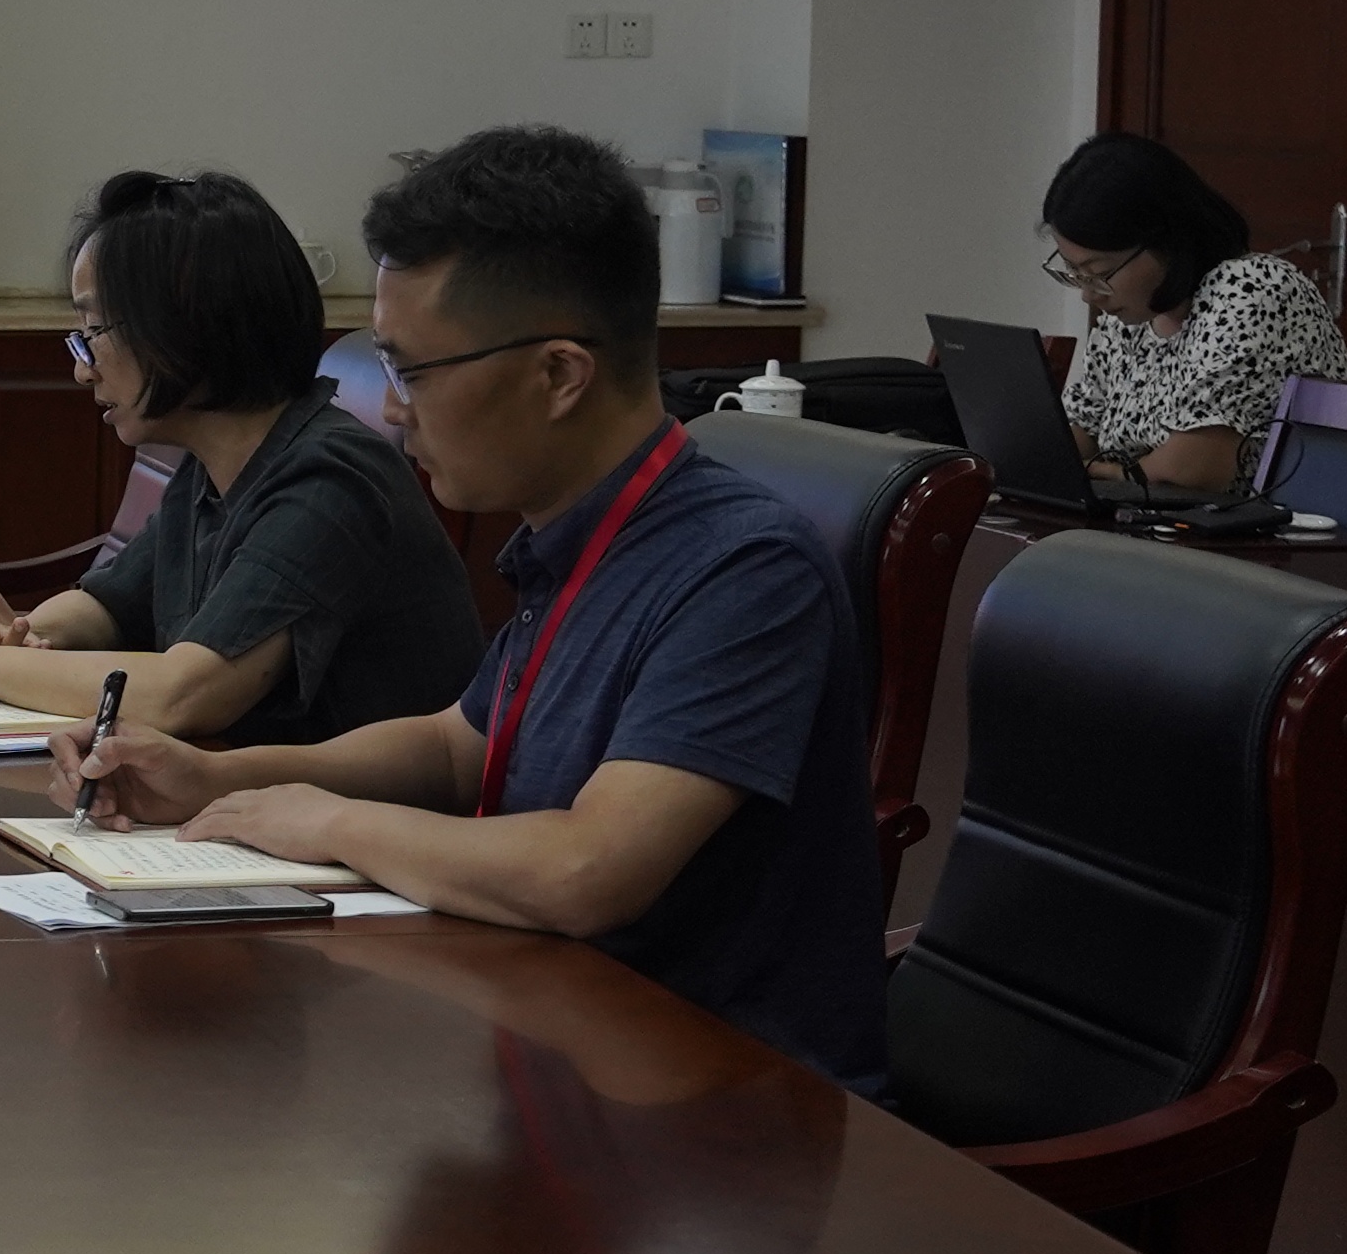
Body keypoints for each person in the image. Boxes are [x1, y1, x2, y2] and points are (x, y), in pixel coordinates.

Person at [65, 124, 888, 1094]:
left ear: (559, 374)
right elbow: (459, 747)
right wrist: (214, 777)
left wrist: (326, 822)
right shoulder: (575, 538)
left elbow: (587, 870)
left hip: (722, 1113)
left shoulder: (742, 570)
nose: (394, 409)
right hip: (555, 1051)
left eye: (413, 372)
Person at [0, 166, 479, 748]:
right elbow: (108, 604)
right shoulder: (215, 464)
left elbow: (184, 695)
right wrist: (23, 633)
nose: (82, 369)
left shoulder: (329, 480)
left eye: (94, 332)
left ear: (188, 325)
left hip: (366, 808)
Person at [1039, 129, 1347, 493]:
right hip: (1151, 517)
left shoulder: (1253, 289)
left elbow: (1193, 468)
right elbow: (1083, 429)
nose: (1088, 295)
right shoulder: (1128, 319)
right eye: (1075, 273)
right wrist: (1030, 457)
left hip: (1282, 524)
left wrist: (1099, 473)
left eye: (1098, 273)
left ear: (1166, 240)